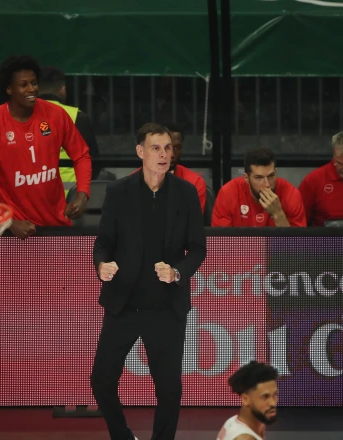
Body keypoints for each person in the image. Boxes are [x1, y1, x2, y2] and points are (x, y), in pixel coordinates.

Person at [91, 123, 207, 440]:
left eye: (168, 148)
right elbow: (103, 244)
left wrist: (178, 272)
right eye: (156, 148)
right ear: (140, 151)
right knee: (101, 381)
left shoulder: (186, 193)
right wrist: (102, 265)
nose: (164, 154)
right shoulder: (119, 192)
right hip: (124, 304)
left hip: (166, 307)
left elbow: (198, 248)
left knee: (169, 389)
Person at [0, 55, 92, 239]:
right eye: (23, 85)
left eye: (34, 83)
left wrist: (82, 195)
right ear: (9, 89)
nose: (32, 89)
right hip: (13, 231)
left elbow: (81, 155)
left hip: (56, 225)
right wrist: (8, 222)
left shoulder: (56, 114)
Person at [39, 66, 100, 192]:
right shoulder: (77, 117)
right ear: (62, 89)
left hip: (28, 197)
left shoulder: (18, 116)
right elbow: (93, 162)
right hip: (71, 196)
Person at [211, 147, 306, 227]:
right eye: (259, 178)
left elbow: (298, 243)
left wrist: (278, 214)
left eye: (271, 176)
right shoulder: (228, 193)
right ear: (246, 178)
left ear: (276, 172)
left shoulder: (291, 195)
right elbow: (220, 241)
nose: (267, 184)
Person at [217, 361, 279, 440]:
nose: (273, 403)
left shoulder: (232, 421)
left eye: (275, 395)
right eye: (265, 397)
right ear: (245, 399)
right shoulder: (245, 438)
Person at [298, 132, 343, 226]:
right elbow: (298, 224)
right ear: (334, 155)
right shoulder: (313, 180)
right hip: (324, 235)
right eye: (340, 163)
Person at [163, 122, 206, 212]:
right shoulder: (135, 182)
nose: (172, 154)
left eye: (177, 147)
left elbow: (192, 219)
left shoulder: (194, 183)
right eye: (167, 147)